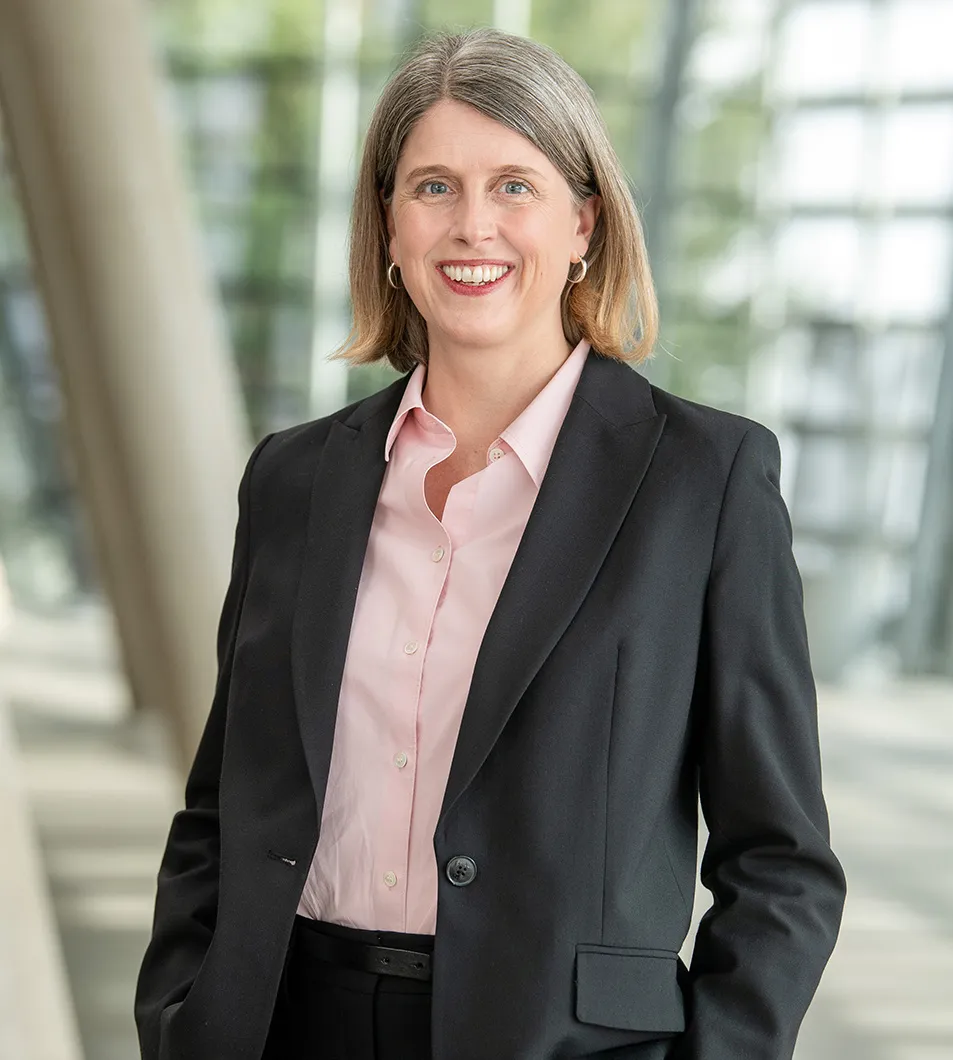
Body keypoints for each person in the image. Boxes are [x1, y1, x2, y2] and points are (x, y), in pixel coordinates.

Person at [134, 27, 846, 1060]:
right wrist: (181, 1014)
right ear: (386, 225)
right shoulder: (293, 480)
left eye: (514, 185)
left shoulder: (703, 481)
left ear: (583, 223)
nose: (472, 226)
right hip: (285, 1025)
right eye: (432, 187)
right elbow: (221, 804)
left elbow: (779, 861)